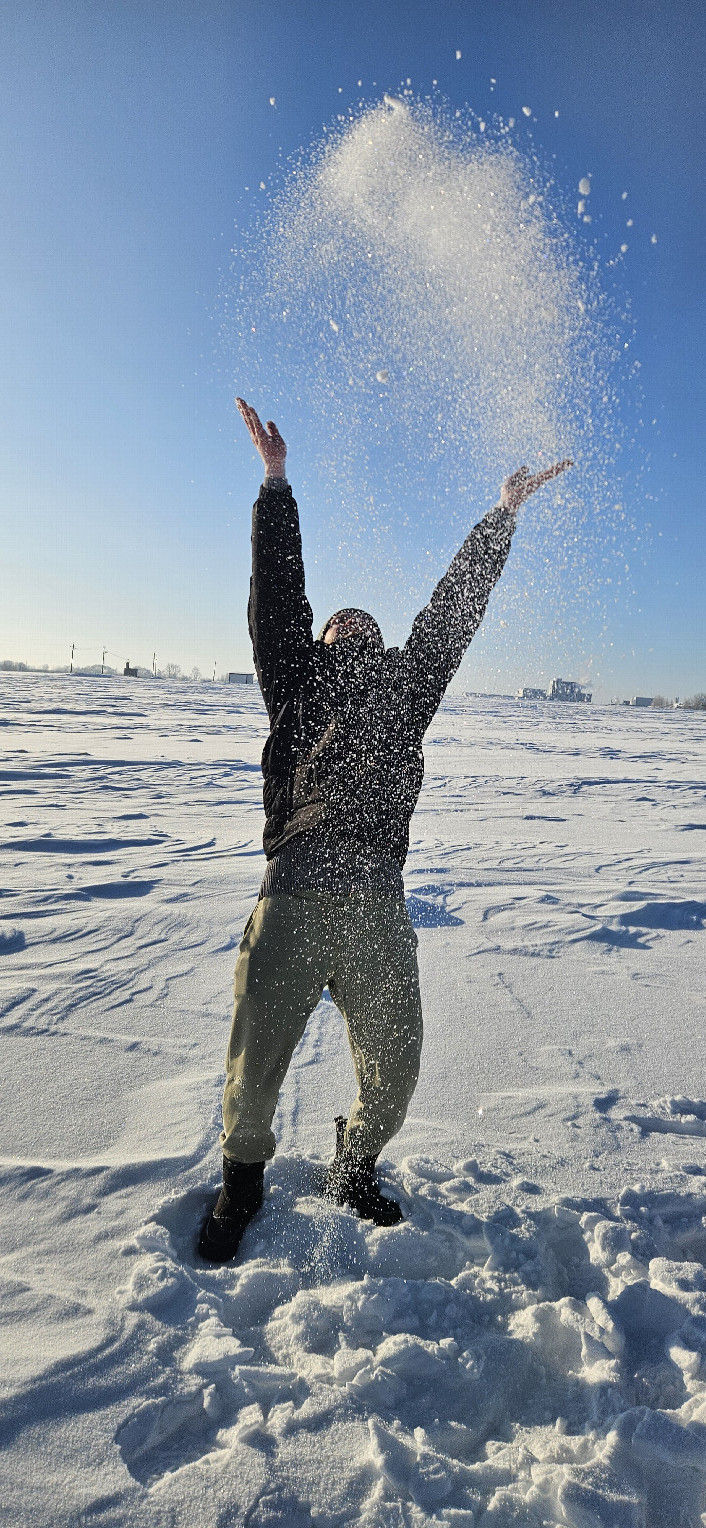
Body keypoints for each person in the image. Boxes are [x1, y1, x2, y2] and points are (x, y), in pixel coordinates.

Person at [198, 399, 571, 1262]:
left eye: (367, 622)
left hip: (375, 903)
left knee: (396, 1070)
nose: (354, 625)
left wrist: (500, 518)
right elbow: (279, 594)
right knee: (252, 1074)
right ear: (322, 637)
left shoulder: (406, 690)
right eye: (341, 622)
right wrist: (276, 484)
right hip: (291, 895)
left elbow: (450, 615)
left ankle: (355, 1161)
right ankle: (241, 1183)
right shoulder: (295, 682)